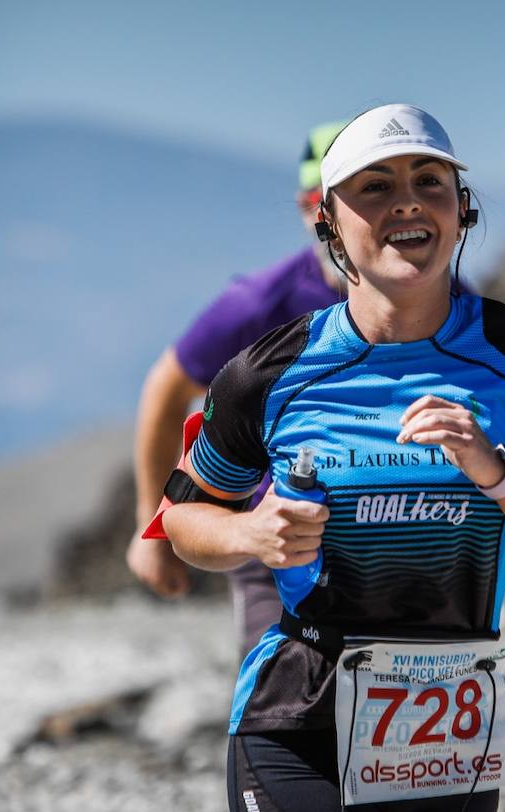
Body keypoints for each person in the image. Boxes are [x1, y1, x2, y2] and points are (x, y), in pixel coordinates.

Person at [149, 104, 505, 812]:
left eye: (429, 181)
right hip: (298, 717)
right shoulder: (271, 371)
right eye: (376, 186)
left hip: (451, 734)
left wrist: (501, 474)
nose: (408, 200)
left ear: (461, 210)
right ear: (330, 222)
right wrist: (251, 531)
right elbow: (185, 518)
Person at [126, 121, 348, 658]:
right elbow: (166, 388)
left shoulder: (442, 291)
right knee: (286, 707)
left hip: (403, 530)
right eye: (329, 198)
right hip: (274, 542)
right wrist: (149, 528)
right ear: (306, 206)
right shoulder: (261, 303)